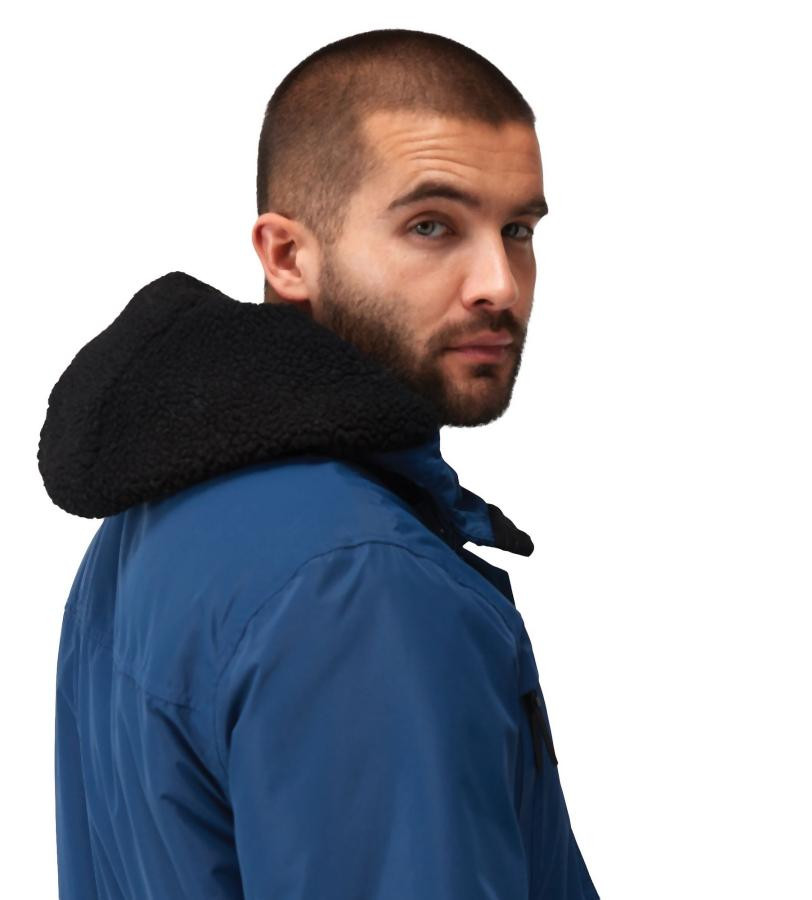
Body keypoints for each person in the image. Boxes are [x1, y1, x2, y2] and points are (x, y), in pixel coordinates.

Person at [41, 28, 601, 899]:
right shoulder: (363, 584)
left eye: (518, 229)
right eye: (431, 226)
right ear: (288, 256)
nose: (499, 281)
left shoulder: (157, 511)